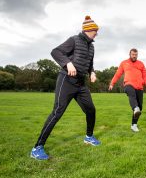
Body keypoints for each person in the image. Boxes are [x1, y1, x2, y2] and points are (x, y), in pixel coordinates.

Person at [30, 16, 101, 160]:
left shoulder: (92, 46)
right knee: (57, 112)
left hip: (81, 84)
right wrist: (67, 63)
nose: (97, 33)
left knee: (91, 110)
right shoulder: (74, 40)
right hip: (66, 81)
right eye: (95, 30)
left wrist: (92, 72)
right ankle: (37, 148)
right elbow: (55, 52)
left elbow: (90, 63)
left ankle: (88, 136)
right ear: (89, 30)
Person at [109, 48, 146, 132]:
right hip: (128, 84)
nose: (134, 56)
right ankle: (135, 107)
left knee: (140, 108)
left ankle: (134, 125)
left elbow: (145, 76)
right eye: (133, 54)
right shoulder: (124, 63)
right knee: (132, 96)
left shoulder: (141, 64)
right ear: (130, 54)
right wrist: (112, 83)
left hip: (139, 87)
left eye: (136, 55)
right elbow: (118, 74)